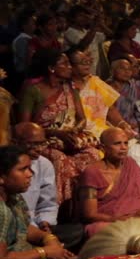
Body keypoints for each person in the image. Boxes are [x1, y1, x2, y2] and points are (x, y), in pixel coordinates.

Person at [18, 49, 102, 204]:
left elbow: (82, 118)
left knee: (93, 154)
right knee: (59, 159)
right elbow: (25, 127)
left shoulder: (70, 89)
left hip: (70, 139)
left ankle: (87, 204)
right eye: (65, 64)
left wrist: (74, 130)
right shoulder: (33, 91)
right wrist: (56, 133)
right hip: (43, 141)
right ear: (51, 68)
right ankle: (59, 207)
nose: (70, 67)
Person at [0, 145, 75, 259]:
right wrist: (45, 251)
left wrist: (49, 239)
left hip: (19, 256)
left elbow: (24, 227)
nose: (30, 174)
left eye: (30, 168)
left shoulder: (14, 197)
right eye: (23, 169)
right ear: (1, 176)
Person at [79, 128, 140, 237]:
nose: (123, 148)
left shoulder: (130, 164)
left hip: (138, 215)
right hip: (112, 221)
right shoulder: (92, 172)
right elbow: (89, 214)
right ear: (103, 148)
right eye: (117, 144)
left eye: (126, 143)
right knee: (97, 229)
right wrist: (124, 218)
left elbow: (139, 195)